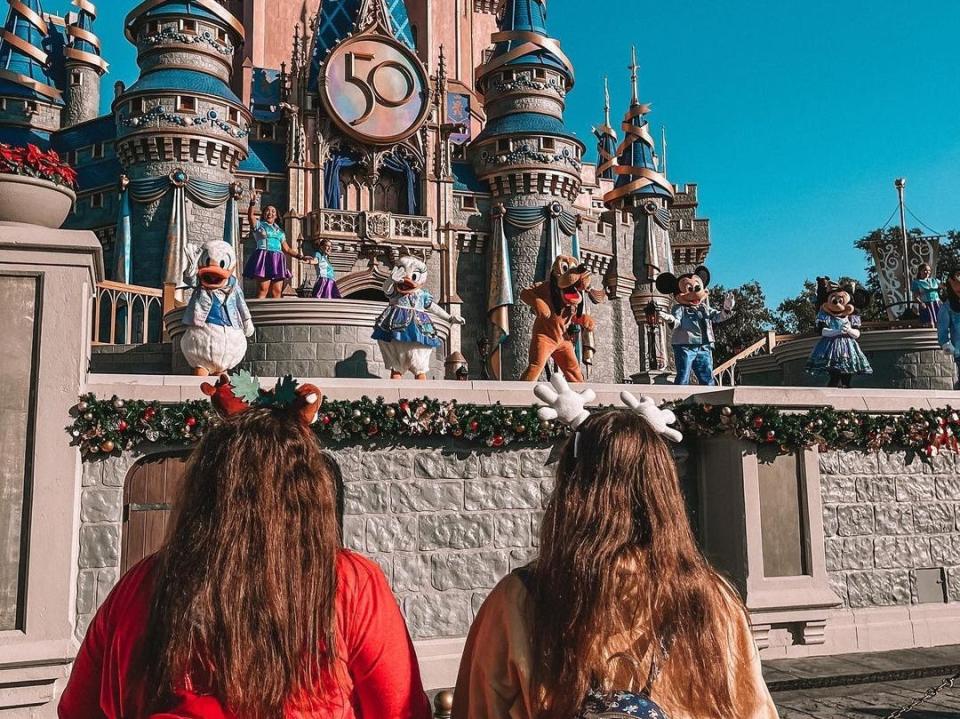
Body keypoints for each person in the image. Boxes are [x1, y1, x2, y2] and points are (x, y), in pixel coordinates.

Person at [58, 398, 431, 719]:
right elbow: (401, 710)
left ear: (204, 489)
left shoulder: (142, 583)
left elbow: (78, 709)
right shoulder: (347, 584)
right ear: (309, 493)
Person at [453, 379, 778, 719]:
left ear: (571, 492)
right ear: (664, 490)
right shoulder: (714, 600)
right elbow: (754, 708)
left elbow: (477, 708)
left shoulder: (519, 601)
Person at [243, 192, 303, 298]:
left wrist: (301, 256)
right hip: (264, 256)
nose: (270, 213)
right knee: (263, 289)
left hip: (278, 259)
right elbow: (250, 217)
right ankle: (257, 313)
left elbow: (287, 249)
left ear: (276, 216)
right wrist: (252, 203)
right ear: (264, 214)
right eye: (267, 211)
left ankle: (277, 313)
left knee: (277, 291)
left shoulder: (280, 232)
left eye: (273, 211)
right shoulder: (259, 225)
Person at [912, 263, 941, 327]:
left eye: (929, 270)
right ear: (920, 271)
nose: (927, 272)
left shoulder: (934, 280)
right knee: (930, 323)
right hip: (926, 304)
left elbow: (945, 287)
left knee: (940, 322)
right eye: (925, 270)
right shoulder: (916, 282)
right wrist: (921, 303)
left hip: (936, 303)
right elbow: (915, 296)